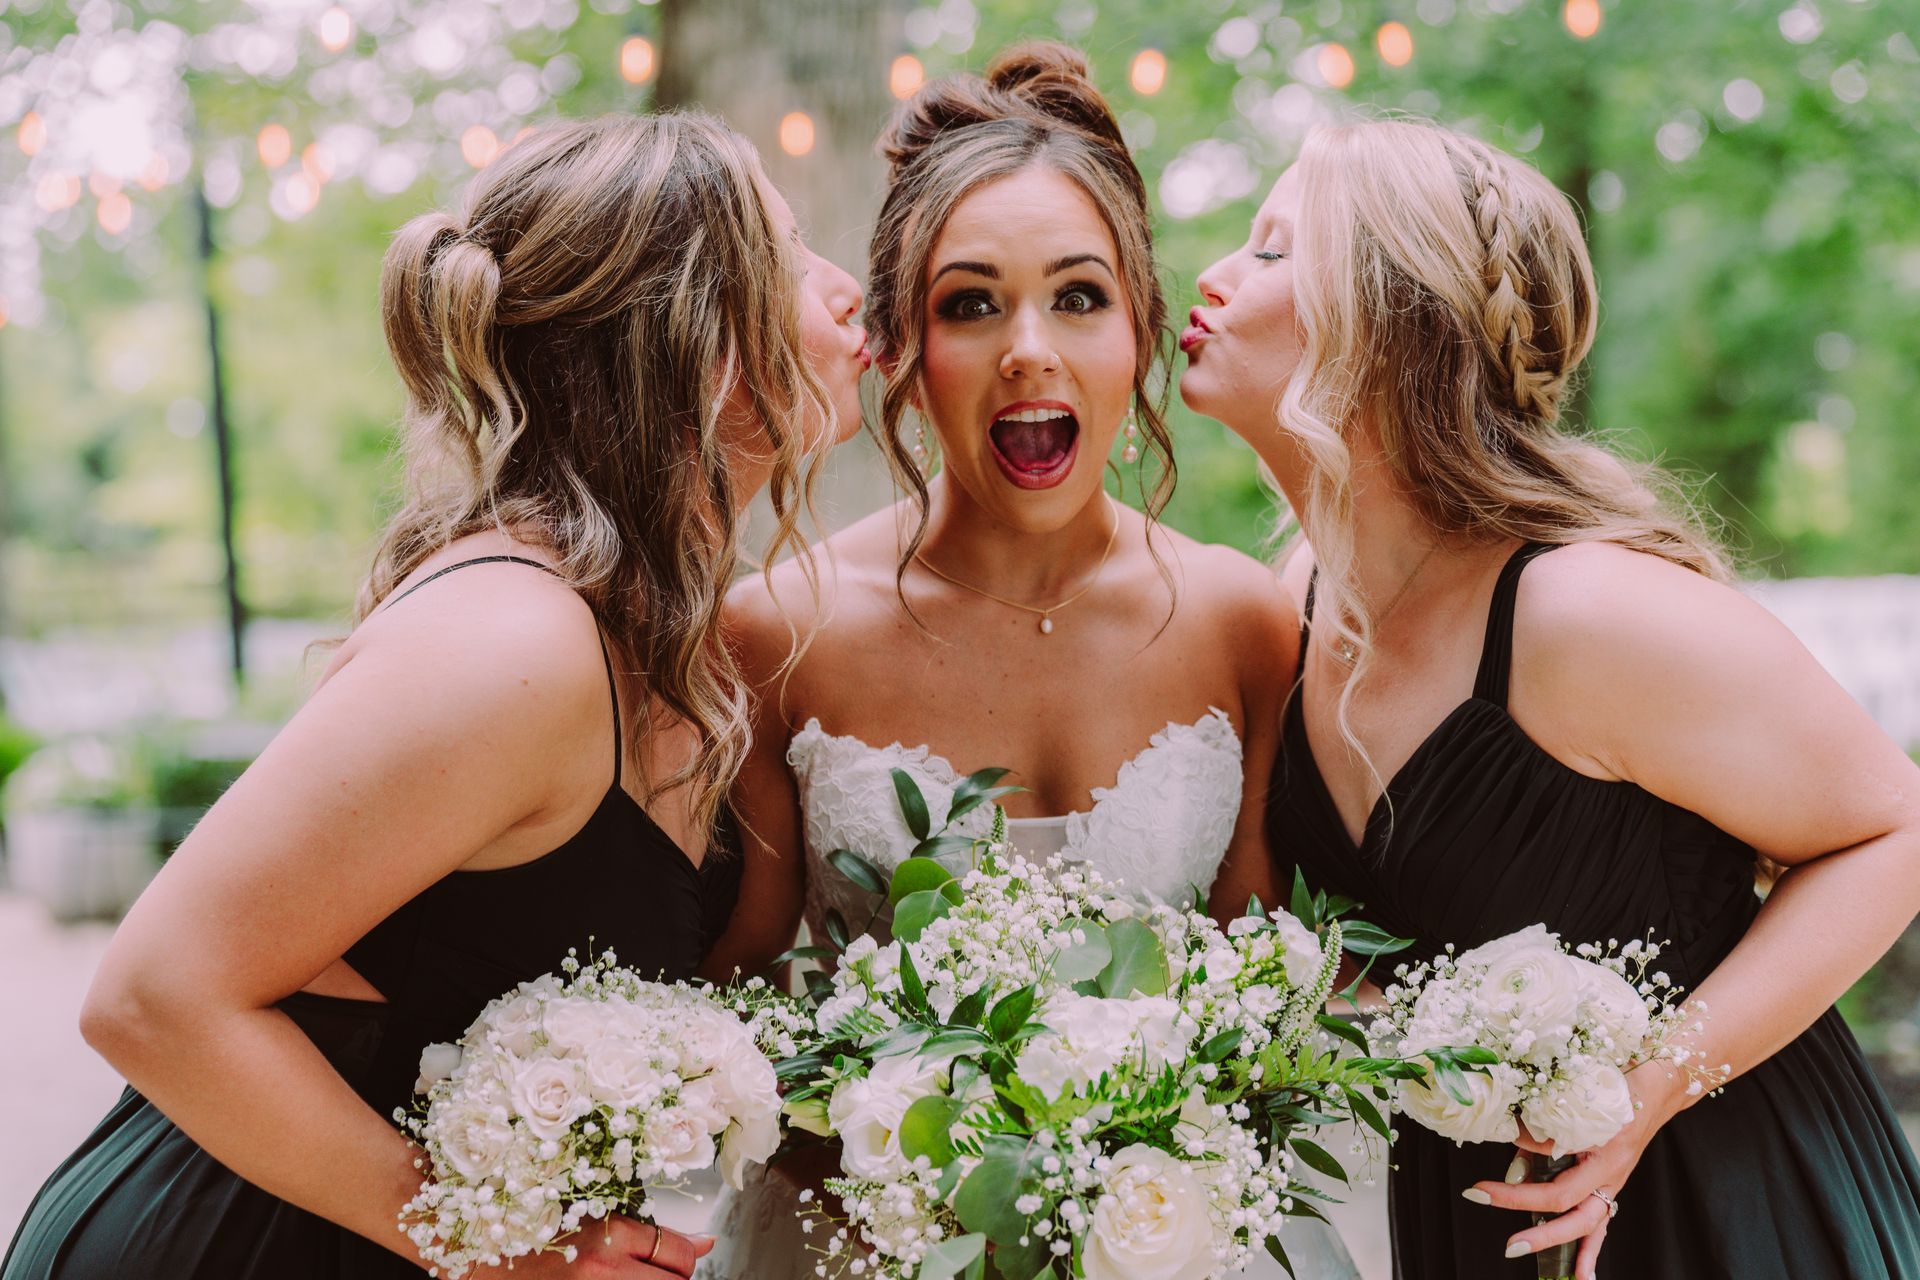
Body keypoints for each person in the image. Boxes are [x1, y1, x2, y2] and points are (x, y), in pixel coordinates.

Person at [1, 112, 868, 1280]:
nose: (847, 290)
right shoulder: (516, 639)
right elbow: (153, 994)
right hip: (236, 1243)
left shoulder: (669, 640)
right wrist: (492, 1245)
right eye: (796, 252)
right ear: (697, 338)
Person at [1180, 116, 1920, 1278]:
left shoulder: (1580, 613)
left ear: (1388, 322)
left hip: (1714, 1199)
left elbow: (1895, 826)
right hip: (1481, 1214)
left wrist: (1655, 1081)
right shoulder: (1304, 599)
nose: (1215, 279)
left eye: (1274, 251)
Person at [697, 42, 1360, 1280]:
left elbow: (1270, 992)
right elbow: (740, 995)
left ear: (1139, 329)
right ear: (900, 343)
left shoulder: (1243, 621)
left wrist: (1157, 1166)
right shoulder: (776, 627)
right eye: (969, 303)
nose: (1028, 351)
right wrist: (910, 1167)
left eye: (1078, 296)